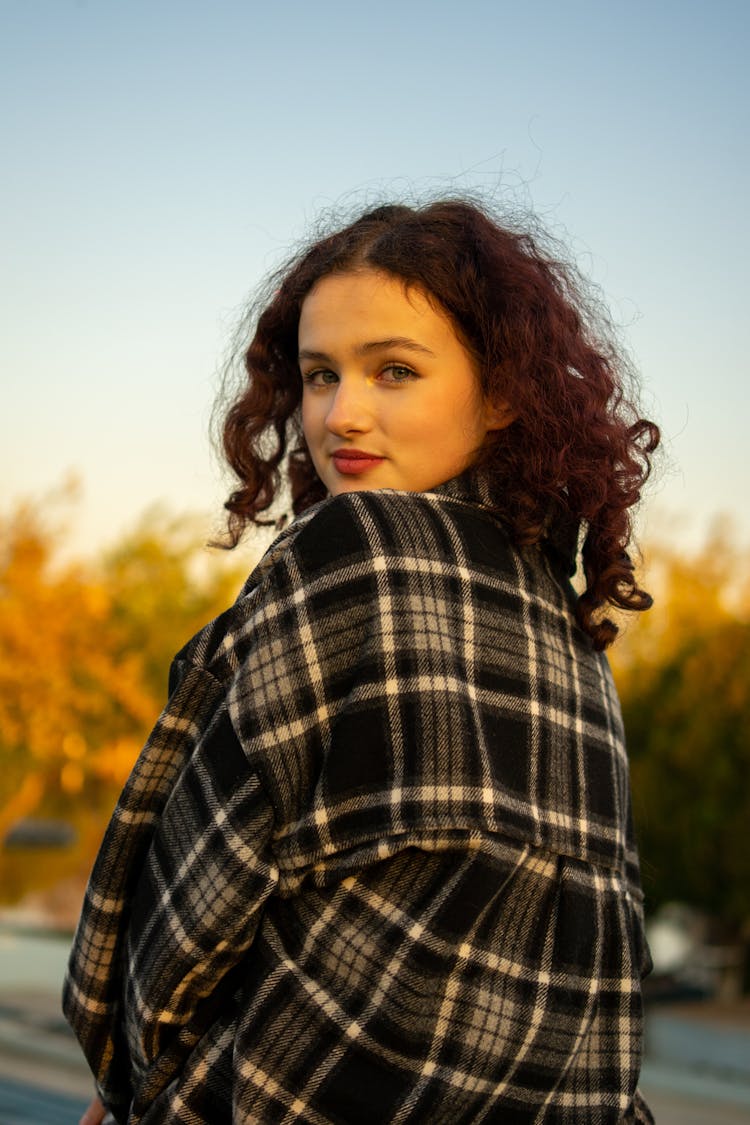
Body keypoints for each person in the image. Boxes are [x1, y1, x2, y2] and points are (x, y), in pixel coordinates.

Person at [64, 199, 659, 1124]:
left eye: (394, 370)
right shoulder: (574, 637)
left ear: (501, 389)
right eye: (318, 375)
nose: (342, 414)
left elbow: (178, 922)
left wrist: (127, 1077)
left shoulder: (353, 552)